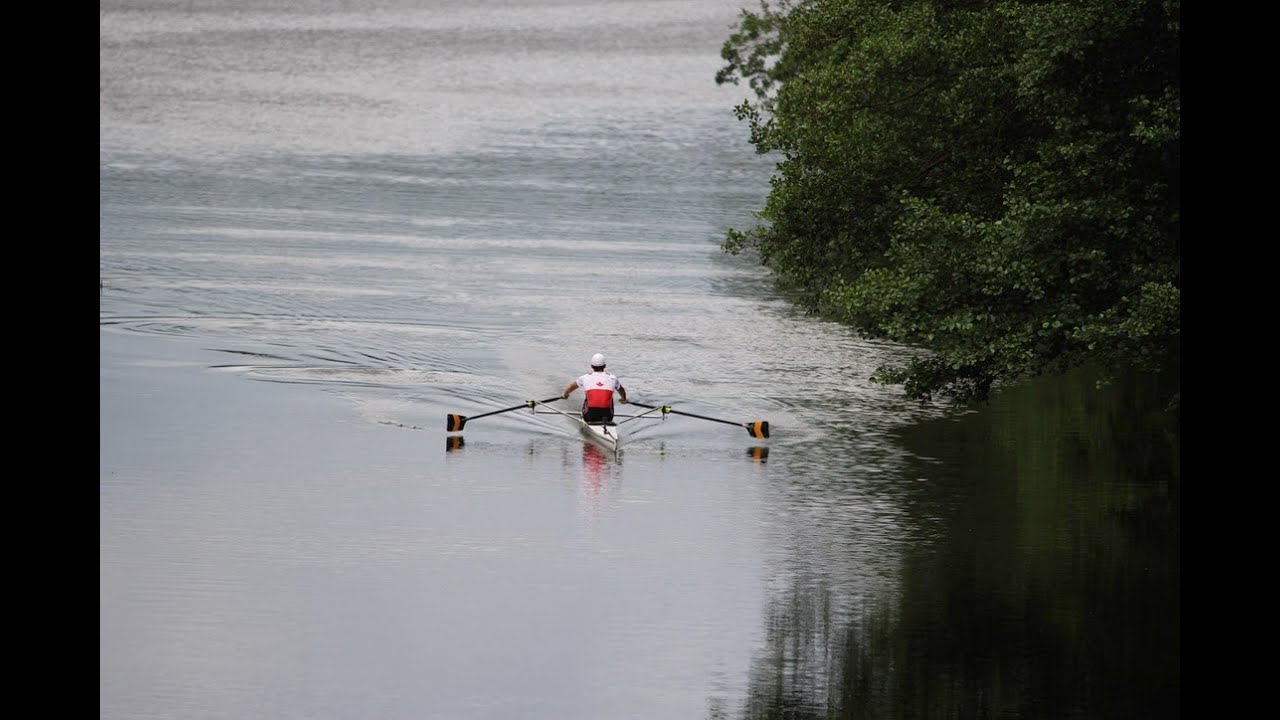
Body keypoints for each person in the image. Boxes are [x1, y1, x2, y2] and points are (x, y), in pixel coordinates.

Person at [562, 353, 628, 423]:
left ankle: (585, 415)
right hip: (608, 415)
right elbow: (622, 391)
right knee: (610, 397)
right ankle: (605, 419)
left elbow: (570, 388)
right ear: (605, 366)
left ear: (591, 366)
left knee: (588, 396)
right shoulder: (613, 378)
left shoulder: (584, 377)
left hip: (589, 415)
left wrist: (565, 395)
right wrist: (623, 399)